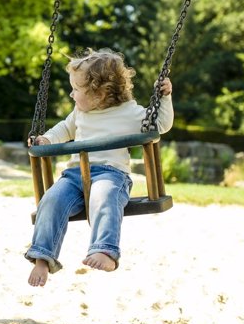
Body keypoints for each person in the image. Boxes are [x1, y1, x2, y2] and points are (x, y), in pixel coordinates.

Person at [24, 48, 173, 287]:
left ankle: (105, 250)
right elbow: (63, 129)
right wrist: (47, 140)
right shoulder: (80, 112)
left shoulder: (130, 112)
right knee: (51, 200)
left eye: (76, 89)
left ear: (100, 93)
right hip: (74, 176)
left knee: (103, 197)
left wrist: (164, 97)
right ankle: (42, 256)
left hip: (111, 174)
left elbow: (160, 124)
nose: (72, 94)